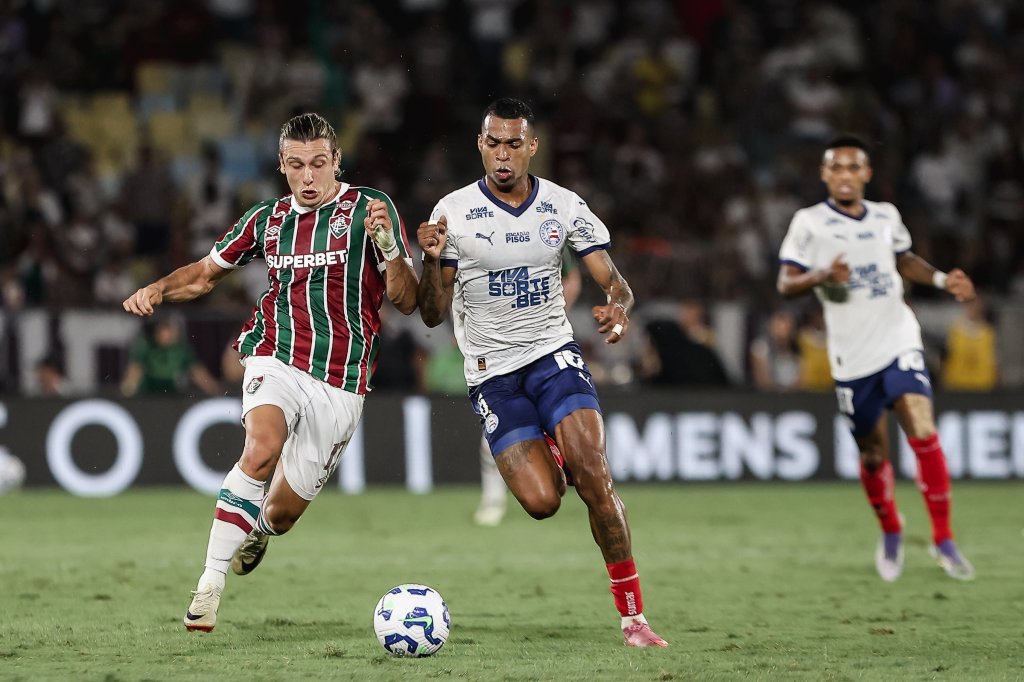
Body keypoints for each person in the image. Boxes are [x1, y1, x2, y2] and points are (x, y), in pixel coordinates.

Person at [123, 112, 418, 632]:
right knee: (261, 449)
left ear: (337, 162)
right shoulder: (267, 219)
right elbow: (205, 274)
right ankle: (209, 587)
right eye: (297, 165)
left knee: (281, 515)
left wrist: (391, 246)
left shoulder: (369, 209)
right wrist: (159, 288)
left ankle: (258, 528)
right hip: (275, 353)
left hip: (341, 378)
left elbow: (408, 300)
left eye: (319, 163)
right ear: (282, 164)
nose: (309, 176)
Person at [416, 98, 667, 647]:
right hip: (492, 376)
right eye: (493, 143)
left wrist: (619, 305)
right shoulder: (454, 211)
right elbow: (432, 313)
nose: (502, 154)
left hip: (554, 357)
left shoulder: (564, 205)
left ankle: (634, 618)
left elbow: (615, 281)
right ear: (480, 145)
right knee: (542, 503)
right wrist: (430, 260)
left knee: (595, 476)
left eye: (513, 143)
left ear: (532, 146)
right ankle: (557, 449)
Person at [777, 134, 977, 583]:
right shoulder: (809, 222)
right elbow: (786, 283)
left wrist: (941, 280)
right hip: (851, 354)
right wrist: (823, 275)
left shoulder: (887, 215)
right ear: (825, 174)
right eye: (836, 168)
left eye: (853, 167)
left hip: (898, 337)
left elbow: (904, 260)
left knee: (922, 428)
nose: (845, 175)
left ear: (866, 173)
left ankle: (944, 540)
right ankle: (890, 529)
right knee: (872, 455)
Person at [474, 253, 581, 526]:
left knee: (567, 425)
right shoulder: (475, 237)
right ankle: (493, 499)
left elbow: (572, 278)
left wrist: (549, 314)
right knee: (493, 436)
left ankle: (553, 459)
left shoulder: (544, 234)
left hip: (545, 346)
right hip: (498, 352)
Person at [120, 317, 220, 397]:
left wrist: (215, 392)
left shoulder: (181, 350)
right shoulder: (146, 347)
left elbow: (197, 372)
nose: (166, 336)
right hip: (149, 395)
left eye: (170, 332)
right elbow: (135, 371)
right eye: (163, 331)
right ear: (156, 332)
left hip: (173, 395)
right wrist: (128, 390)